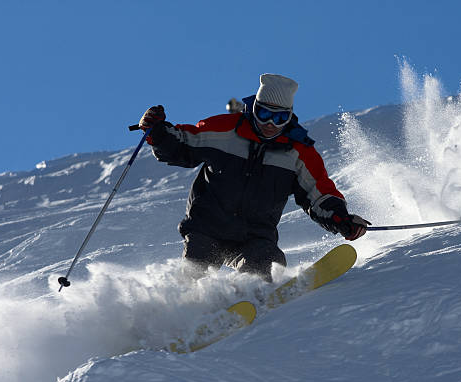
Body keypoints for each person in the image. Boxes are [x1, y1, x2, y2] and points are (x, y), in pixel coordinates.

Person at [138, 74, 367, 282]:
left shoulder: (298, 153)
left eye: (279, 118)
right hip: (207, 229)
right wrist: (157, 133)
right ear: (254, 108)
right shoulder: (225, 130)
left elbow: (319, 194)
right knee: (195, 275)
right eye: (264, 114)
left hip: (255, 236)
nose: (270, 124)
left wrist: (341, 219)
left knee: (266, 266)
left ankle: (248, 302)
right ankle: (181, 315)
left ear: (289, 117)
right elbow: (182, 144)